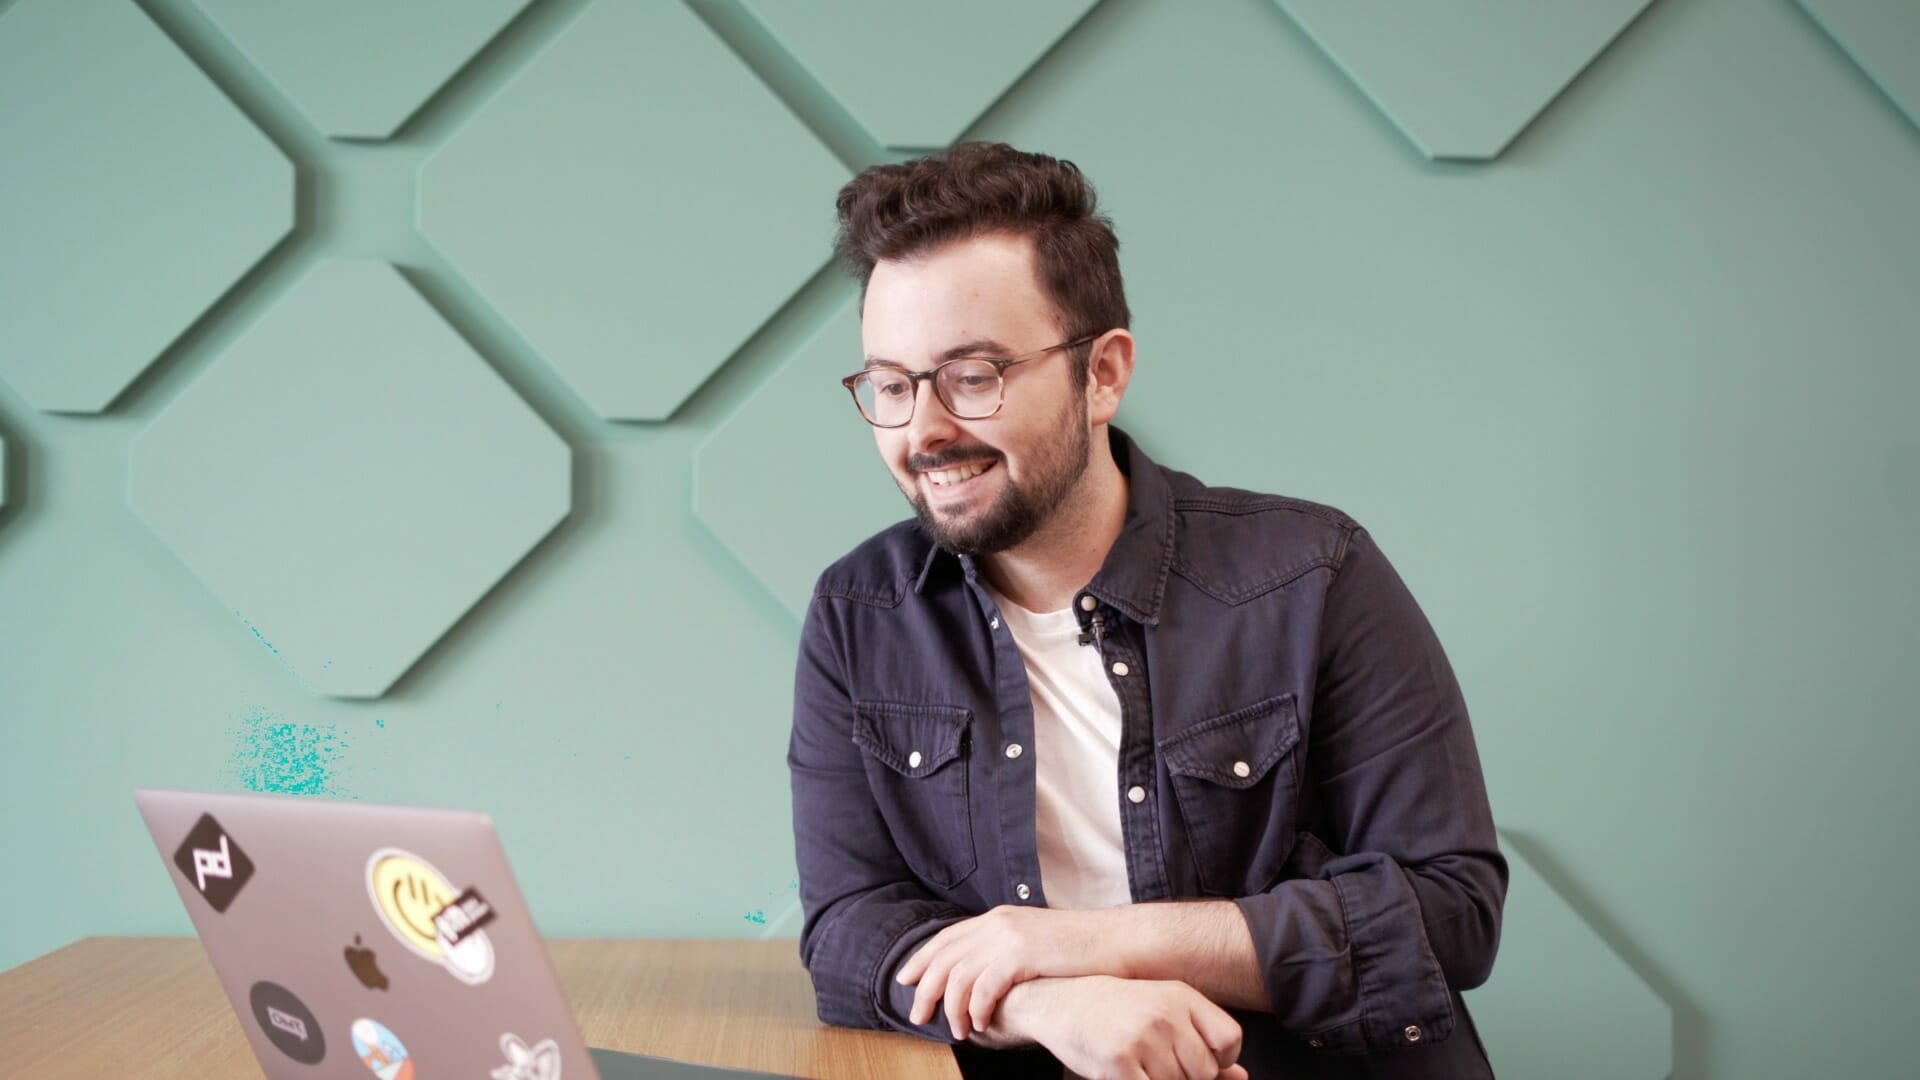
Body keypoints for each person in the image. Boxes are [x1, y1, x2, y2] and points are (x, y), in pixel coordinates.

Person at [789, 141, 1506, 1079]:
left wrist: (1083, 944)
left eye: (972, 376)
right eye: (891, 384)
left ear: (1104, 373)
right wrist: (1048, 1002)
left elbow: (1451, 912)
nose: (924, 430)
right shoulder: (861, 614)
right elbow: (849, 931)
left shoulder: (1314, 573)